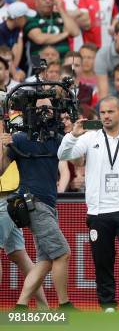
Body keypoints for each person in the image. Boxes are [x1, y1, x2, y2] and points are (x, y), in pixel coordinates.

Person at [58, 96, 119, 312]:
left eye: (110, 112)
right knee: (102, 262)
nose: (106, 116)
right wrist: (73, 135)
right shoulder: (89, 138)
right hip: (99, 211)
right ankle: (108, 305)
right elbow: (62, 154)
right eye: (102, 113)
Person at [0, 98, 75, 310]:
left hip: (47, 204)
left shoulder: (57, 139)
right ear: (32, 112)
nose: (45, 112)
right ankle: (64, 304)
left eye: (49, 108)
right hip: (34, 203)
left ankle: (22, 305)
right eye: (41, 108)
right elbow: (0, 169)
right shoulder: (20, 138)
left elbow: (77, 159)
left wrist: (74, 134)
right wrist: (4, 146)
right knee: (62, 253)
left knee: (46, 260)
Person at [24, 0, 80, 72]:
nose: (48, 1)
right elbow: (39, 39)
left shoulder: (61, 17)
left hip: (62, 69)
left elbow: (75, 32)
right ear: (36, 1)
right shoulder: (31, 20)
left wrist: (61, 9)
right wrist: (64, 34)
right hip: (39, 69)